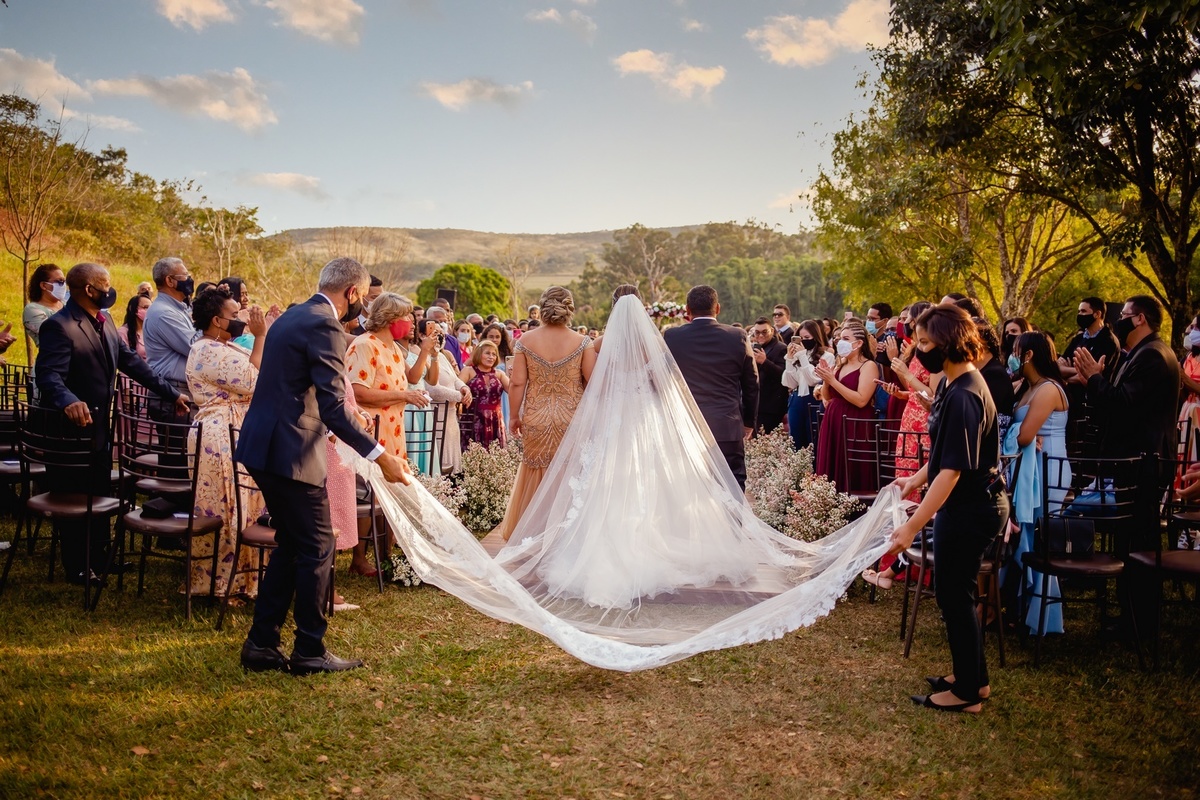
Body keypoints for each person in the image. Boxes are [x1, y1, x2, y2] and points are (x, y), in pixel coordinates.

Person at [234, 257, 411, 676]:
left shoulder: (293, 315)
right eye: (363, 298)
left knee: (294, 545)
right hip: (290, 450)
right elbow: (333, 406)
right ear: (352, 293)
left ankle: (261, 644)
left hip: (266, 445)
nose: (362, 308)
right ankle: (309, 650)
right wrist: (380, 456)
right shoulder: (324, 325)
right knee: (317, 546)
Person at [35, 263, 190, 584]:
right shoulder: (59, 326)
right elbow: (49, 376)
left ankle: (101, 557)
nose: (110, 288)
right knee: (74, 495)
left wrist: (171, 392)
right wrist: (69, 401)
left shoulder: (104, 323)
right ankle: (77, 564)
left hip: (99, 428)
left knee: (98, 488)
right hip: (67, 432)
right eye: (104, 284)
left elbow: (132, 363)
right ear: (90, 290)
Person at [887, 304, 1009, 713]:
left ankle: (966, 695)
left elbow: (952, 473)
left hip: (973, 508)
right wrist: (913, 481)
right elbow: (941, 456)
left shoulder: (965, 394)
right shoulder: (952, 386)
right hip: (967, 505)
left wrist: (912, 526)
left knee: (953, 595)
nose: (919, 350)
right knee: (957, 592)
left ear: (949, 343)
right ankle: (975, 678)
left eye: (924, 342)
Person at [186, 287, 268, 599]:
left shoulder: (224, 346)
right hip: (220, 434)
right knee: (227, 504)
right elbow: (253, 381)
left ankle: (247, 580)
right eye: (235, 316)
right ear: (218, 321)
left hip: (236, 429)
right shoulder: (208, 351)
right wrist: (260, 337)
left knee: (245, 505)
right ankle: (222, 583)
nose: (241, 320)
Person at [496, 286, 596, 540]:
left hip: (537, 416)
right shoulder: (581, 341)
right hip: (571, 418)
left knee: (536, 471)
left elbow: (517, 383)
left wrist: (514, 415)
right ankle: (567, 535)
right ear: (569, 309)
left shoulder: (526, 341)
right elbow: (593, 381)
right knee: (569, 473)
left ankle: (533, 534)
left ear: (543, 308)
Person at [344, 292, 430, 576]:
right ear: (390, 317)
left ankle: (388, 554)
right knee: (371, 493)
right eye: (406, 316)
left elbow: (413, 378)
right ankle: (359, 558)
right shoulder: (364, 346)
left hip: (395, 428)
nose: (410, 321)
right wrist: (403, 395)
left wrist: (427, 350)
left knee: (394, 490)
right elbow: (356, 391)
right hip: (372, 429)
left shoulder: (393, 347)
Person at [1003, 331, 1070, 635]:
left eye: (1016, 350)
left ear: (1029, 355)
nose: (1012, 356)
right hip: (1030, 468)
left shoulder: (1048, 389)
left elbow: (1025, 436)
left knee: (1041, 539)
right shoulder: (1026, 388)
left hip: (1049, 469)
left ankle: (1045, 617)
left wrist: (1015, 432)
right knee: (1027, 536)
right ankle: (1022, 607)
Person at [663, 285, 758, 491]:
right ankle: (733, 523)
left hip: (687, 426)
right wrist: (749, 422)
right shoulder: (737, 336)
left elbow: (664, 380)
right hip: (727, 424)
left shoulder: (672, 337)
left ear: (687, 310)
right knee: (732, 485)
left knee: (690, 487)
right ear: (718, 308)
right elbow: (751, 384)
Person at [814, 323, 879, 494]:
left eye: (845, 339)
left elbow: (861, 400)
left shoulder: (869, 366)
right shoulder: (840, 364)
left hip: (855, 421)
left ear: (858, 344)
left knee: (851, 466)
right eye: (839, 338)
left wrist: (833, 381)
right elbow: (828, 397)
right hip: (833, 419)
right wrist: (827, 379)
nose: (839, 342)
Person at [144, 257, 199, 412]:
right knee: (181, 437)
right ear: (170, 281)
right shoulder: (164, 313)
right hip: (174, 392)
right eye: (185, 276)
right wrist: (209, 322)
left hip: (179, 388)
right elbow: (194, 347)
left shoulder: (177, 309)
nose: (189, 280)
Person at [783, 320, 834, 451]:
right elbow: (789, 383)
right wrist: (789, 359)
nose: (804, 341)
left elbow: (814, 379)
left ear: (816, 337)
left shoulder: (827, 356)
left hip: (815, 399)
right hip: (796, 400)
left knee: (814, 440)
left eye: (807, 337)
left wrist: (803, 357)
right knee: (796, 441)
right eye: (801, 338)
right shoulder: (797, 356)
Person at [403, 319, 444, 476]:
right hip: (408, 406)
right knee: (411, 448)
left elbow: (432, 380)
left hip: (423, 407)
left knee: (425, 449)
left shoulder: (414, 350)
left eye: (414, 322)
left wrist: (434, 356)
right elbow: (412, 378)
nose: (412, 326)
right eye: (408, 322)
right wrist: (425, 351)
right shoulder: (396, 350)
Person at [459, 339, 510, 449]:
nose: (491, 357)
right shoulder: (468, 371)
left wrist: (515, 375)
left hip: (495, 419)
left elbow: (513, 390)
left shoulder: (500, 374)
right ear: (479, 354)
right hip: (473, 419)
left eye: (494, 354)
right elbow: (457, 388)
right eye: (487, 353)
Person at [749, 317, 789, 434]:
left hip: (772, 407)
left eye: (764, 332)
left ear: (772, 330)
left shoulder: (781, 348)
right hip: (756, 404)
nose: (760, 335)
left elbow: (783, 375)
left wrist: (765, 362)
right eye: (757, 332)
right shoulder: (754, 348)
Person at [23, 263, 66, 351]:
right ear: (43, 285)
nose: (64, 285)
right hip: (53, 361)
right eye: (59, 281)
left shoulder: (66, 304)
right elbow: (54, 335)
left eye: (64, 281)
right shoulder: (32, 310)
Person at [116, 294, 151, 360]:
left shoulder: (151, 331)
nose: (149, 311)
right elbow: (124, 359)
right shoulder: (123, 332)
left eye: (151, 308)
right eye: (146, 307)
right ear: (133, 309)